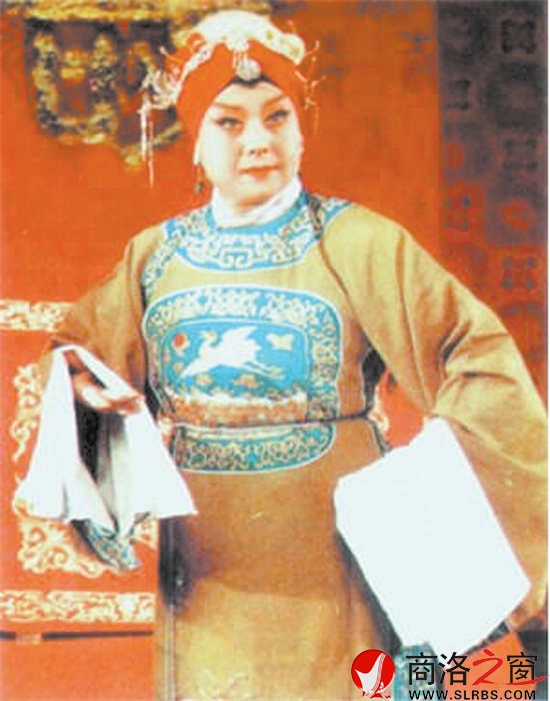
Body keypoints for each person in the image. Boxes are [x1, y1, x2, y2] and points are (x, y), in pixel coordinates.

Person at [29, 9, 545, 701]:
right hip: (207, 557)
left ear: (301, 130)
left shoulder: (358, 243)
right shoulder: (154, 258)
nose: (258, 142)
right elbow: (78, 353)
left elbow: (473, 353)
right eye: (229, 123)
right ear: (195, 142)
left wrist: (432, 479)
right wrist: (86, 390)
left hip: (332, 545)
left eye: (277, 118)